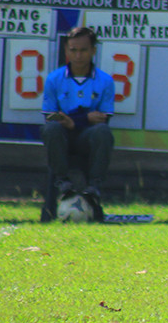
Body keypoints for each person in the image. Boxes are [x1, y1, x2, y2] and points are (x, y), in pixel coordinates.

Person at [41, 26, 115, 222]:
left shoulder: (105, 81)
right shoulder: (54, 79)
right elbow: (49, 116)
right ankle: (62, 184)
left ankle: (94, 188)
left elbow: (103, 118)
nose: (78, 55)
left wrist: (73, 120)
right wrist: (82, 118)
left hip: (87, 137)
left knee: (103, 132)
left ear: (93, 51)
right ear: (66, 51)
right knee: (51, 129)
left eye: (83, 50)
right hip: (62, 136)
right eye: (73, 50)